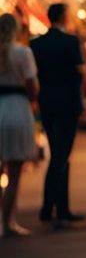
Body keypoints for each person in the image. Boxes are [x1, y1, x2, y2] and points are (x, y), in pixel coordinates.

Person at [32, 1, 86, 230]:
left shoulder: (37, 44)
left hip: (47, 102)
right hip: (67, 104)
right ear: (63, 17)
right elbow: (79, 72)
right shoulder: (71, 42)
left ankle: (51, 206)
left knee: (57, 153)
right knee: (62, 155)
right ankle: (57, 209)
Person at [0, 12, 40, 237]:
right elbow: (32, 86)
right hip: (16, 108)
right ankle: (8, 221)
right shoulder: (22, 53)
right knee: (14, 172)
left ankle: (2, 219)